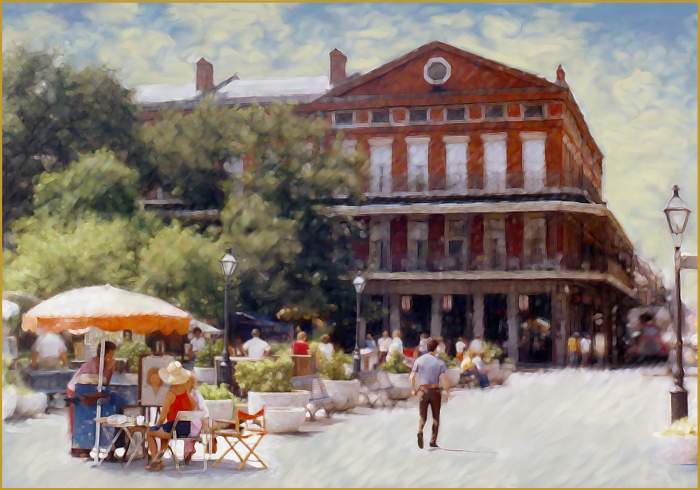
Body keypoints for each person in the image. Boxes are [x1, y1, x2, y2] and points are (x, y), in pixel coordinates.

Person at [66, 341, 117, 457]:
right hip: (76, 389)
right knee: (80, 418)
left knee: (86, 417)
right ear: (107, 353)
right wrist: (110, 369)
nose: (113, 356)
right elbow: (102, 383)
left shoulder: (102, 362)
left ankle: (85, 448)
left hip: (83, 390)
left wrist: (110, 368)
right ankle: (80, 449)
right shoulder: (96, 363)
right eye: (112, 353)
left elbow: (102, 384)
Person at [146, 361, 196, 471]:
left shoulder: (170, 394)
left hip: (174, 429)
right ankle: (159, 459)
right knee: (165, 433)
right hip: (186, 428)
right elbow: (194, 406)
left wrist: (157, 426)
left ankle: (155, 462)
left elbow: (163, 416)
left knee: (149, 432)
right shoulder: (186, 392)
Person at [409, 338, 449, 449]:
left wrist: (413, 389)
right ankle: (432, 441)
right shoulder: (439, 362)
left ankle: (420, 430)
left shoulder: (419, 360)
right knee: (436, 417)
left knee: (423, 416)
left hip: (423, 391)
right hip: (435, 391)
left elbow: (412, 376)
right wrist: (447, 392)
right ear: (436, 348)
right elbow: (444, 379)